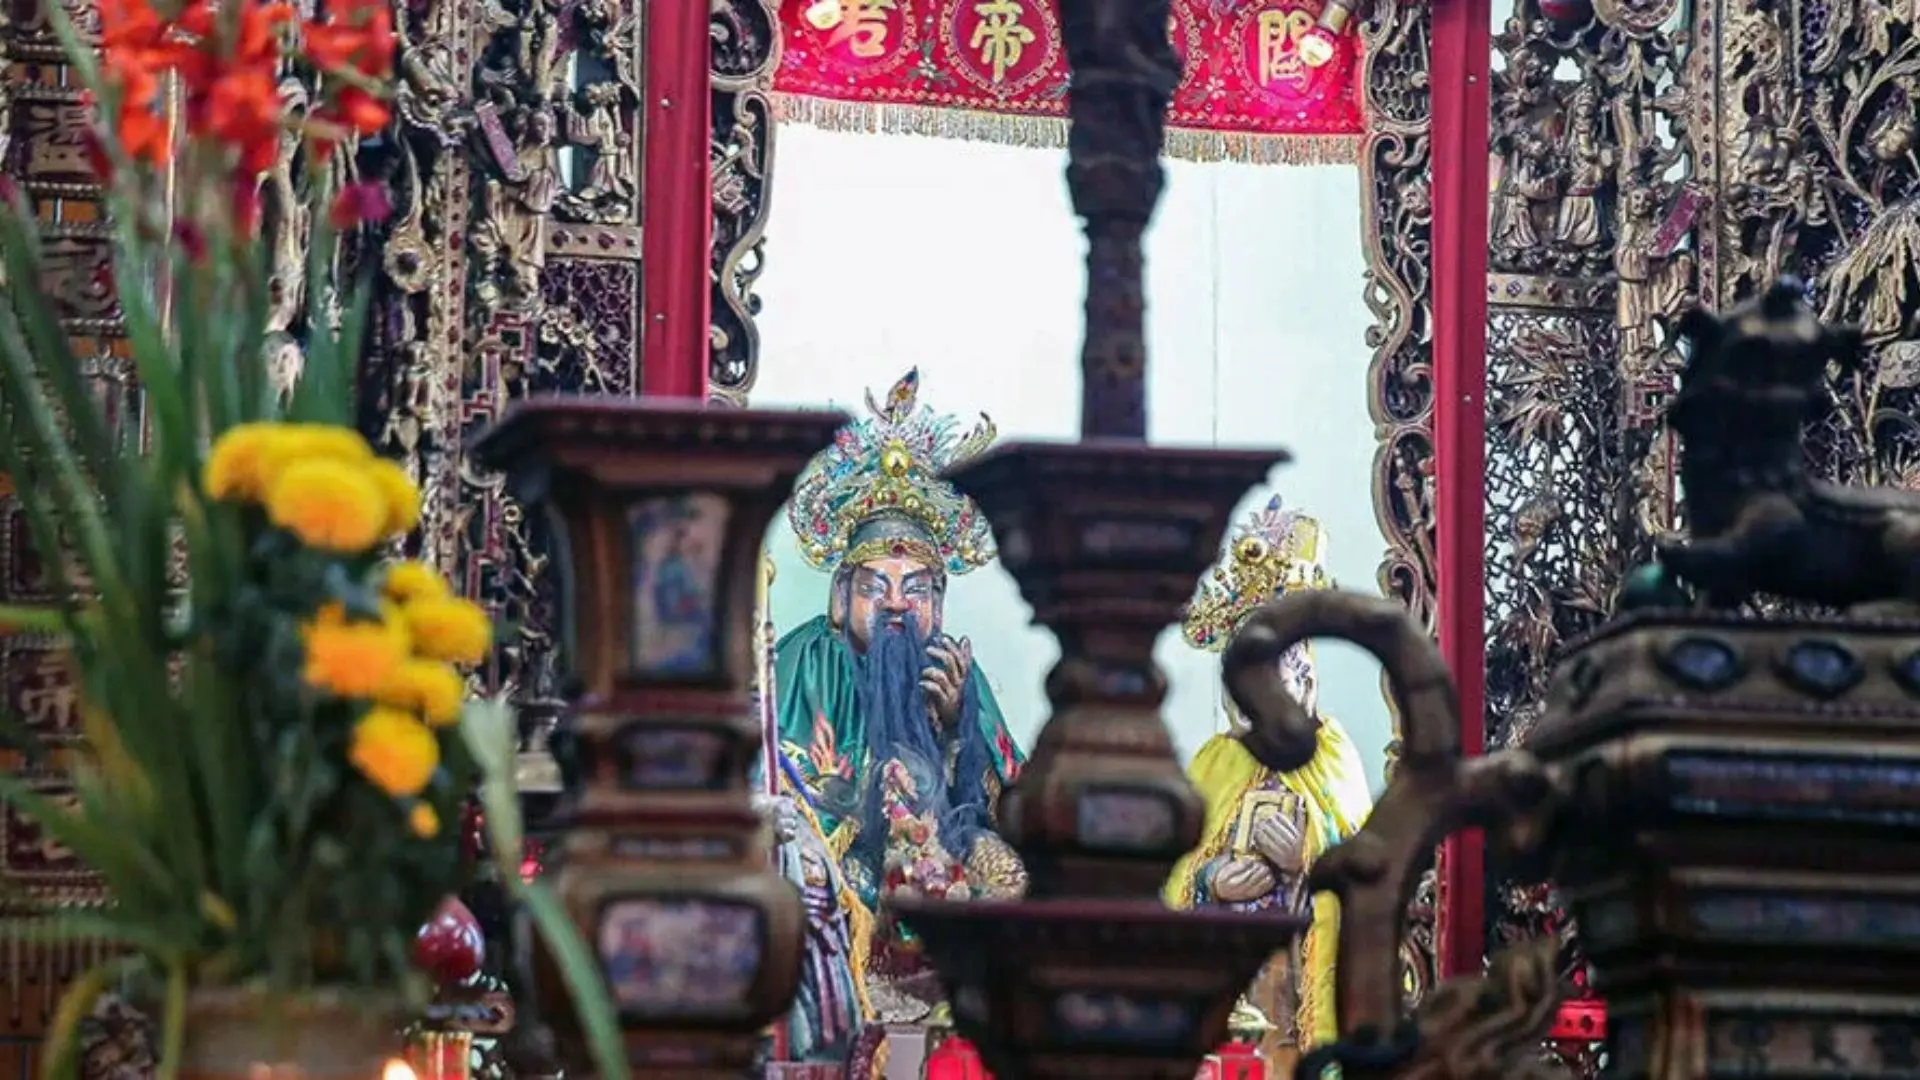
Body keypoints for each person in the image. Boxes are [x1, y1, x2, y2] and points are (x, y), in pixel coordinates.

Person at [773, 369, 1026, 1024]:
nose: (893, 603)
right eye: (874, 584)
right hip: (837, 873)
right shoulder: (802, 662)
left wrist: (952, 733)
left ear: (938, 604)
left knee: (1010, 886)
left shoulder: (955, 672)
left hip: (936, 873)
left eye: (914, 588)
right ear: (840, 595)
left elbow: (1014, 806)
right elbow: (780, 785)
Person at [1164, 497, 1376, 1072]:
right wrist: (1211, 882)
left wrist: (1306, 859)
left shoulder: (1333, 757)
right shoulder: (1217, 761)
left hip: (1296, 983)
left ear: (1304, 667)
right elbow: (1170, 876)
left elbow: (1369, 872)